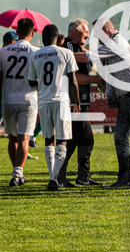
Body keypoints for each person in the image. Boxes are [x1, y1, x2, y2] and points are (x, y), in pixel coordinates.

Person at [83, 18, 130, 188]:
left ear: (106, 31)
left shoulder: (114, 44)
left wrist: (64, 53)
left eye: (98, 34)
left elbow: (87, 57)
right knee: (121, 138)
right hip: (127, 98)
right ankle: (125, 178)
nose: (96, 38)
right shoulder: (116, 41)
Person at [27, 24, 79, 191]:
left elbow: (30, 81)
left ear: (42, 38)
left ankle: (52, 177)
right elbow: (73, 80)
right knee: (62, 140)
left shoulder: (35, 55)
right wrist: (76, 100)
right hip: (61, 101)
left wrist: (42, 84)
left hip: (43, 101)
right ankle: (54, 178)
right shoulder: (66, 53)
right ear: (58, 38)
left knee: (49, 140)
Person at [58, 19, 102, 187]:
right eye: (85, 33)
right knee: (72, 138)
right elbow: (74, 77)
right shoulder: (69, 46)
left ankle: (83, 176)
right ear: (74, 32)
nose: (88, 36)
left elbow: (85, 56)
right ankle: (59, 175)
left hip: (79, 101)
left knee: (86, 138)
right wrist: (98, 79)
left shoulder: (74, 47)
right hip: (73, 101)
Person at [1, 19, 38, 187]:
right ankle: (17, 174)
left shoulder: (3, 51)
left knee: (12, 137)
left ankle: (16, 172)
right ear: (32, 32)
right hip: (28, 99)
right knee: (24, 138)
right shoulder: (35, 52)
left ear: (17, 31)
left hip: (8, 99)